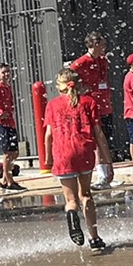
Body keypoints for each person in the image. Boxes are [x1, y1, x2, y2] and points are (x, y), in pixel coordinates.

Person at [43, 65, 106, 253]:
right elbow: (98, 132)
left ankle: (71, 214)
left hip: (63, 155)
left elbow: (48, 135)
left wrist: (48, 158)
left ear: (59, 87)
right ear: (78, 84)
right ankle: (94, 239)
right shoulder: (88, 102)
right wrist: (106, 157)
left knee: (71, 200)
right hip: (84, 152)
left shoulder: (52, 105)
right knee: (86, 195)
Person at [69, 32, 117, 189]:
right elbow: (68, 79)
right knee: (97, 142)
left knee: (105, 140)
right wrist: (80, 91)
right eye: (102, 44)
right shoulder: (80, 63)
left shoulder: (103, 60)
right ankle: (102, 175)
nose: (104, 47)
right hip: (91, 108)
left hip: (105, 106)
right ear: (94, 44)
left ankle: (106, 174)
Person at [0, 64, 25, 191]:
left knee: (14, 153)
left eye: (8, 72)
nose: (6, 74)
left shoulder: (8, 87)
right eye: (3, 72)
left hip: (10, 123)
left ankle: (3, 181)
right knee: (8, 153)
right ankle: (10, 181)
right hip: (3, 124)